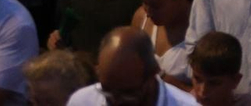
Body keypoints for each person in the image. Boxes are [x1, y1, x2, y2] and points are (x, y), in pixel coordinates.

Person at [66, 28, 198, 106]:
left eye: (127, 94)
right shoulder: (83, 101)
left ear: (153, 74)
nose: (115, 103)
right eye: (106, 90)